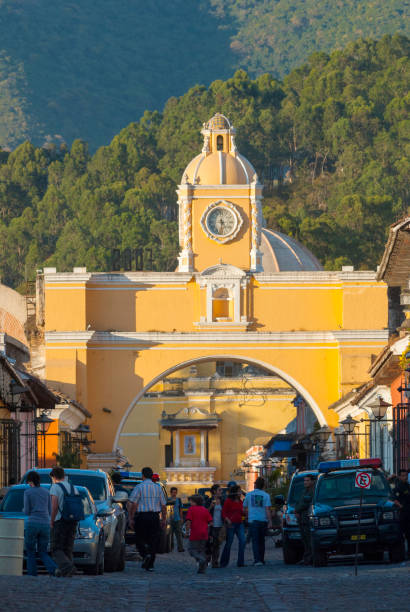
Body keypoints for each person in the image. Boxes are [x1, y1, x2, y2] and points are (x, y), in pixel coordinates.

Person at [128, 466, 167, 572]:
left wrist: (131, 517)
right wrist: (163, 519)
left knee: (139, 538)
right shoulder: (158, 488)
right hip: (154, 517)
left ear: (143, 475)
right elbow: (163, 505)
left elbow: (134, 503)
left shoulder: (139, 487)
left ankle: (145, 554)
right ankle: (150, 565)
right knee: (153, 540)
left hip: (142, 516)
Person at [23, 470, 59, 577]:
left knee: (30, 551)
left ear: (30, 481)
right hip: (45, 524)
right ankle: (54, 569)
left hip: (32, 523)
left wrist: (23, 509)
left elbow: (27, 511)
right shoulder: (46, 492)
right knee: (42, 552)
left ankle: (32, 574)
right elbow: (49, 509)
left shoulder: (28, 492)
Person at [50, 466, 79, 577]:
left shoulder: (55, 487)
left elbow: (54, 506)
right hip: (72, 521)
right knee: (68, 547)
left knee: (56, 548)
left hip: (60, 520)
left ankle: (68, 567)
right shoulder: (73, 487)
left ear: (53, 476)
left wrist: (51, 521)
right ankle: (66, 572)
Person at [243, 476, 272, 566]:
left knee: (255, 541)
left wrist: (247, 516)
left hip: (253, 520)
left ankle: (257, 560)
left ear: (255, 485)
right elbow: (267, 509)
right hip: (263, 520)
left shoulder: (248, 495)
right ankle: (262, 559)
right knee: (261, 541)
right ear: (263, 486)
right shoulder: (266, 495)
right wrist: (270, 521)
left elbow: (244, 507)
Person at [220, 484, 246, 567]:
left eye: (240, 491)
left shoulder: (241, 501)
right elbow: (223, 513)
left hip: (239, 524)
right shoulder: (228, 501)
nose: (240, 492)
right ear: (235, 492)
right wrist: (227, 520)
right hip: (231, 525)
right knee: (229, 543)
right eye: (239, 491)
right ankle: (224, 562)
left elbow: (241, 513)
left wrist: (245, 513)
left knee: (243, 541)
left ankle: (240, 562)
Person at [185, 495, 212, 574]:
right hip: (204, 533)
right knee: (202, 551)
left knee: (191, 549)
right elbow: (210, 522)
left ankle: (202, 560)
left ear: (195, 502)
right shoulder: (205, 510)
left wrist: (187, 532)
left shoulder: (191, 509)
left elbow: (188, 521)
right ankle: (202, 569)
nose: (190, 502)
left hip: (195, 533)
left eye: (191, 501)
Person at [294, 474, 315, 565]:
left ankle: (310, 558)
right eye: (304, 480)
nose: (305, 482)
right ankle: (307, 557)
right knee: (305, 540)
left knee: (309, 539)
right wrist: (296, 510)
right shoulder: (304, 491)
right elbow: (299, 502)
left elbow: (305, 504)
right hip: (302, 519)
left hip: (307, 518)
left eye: (307, 480)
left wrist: (297, 510)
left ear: (312, 481)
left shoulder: (312, 491)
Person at [205, 484, 224, 567]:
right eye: (219, 490)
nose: (221, 492)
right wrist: (210, 507)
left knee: (217, 544)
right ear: (214, 491)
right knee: (210, 544)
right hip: (211, 525)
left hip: (220, 525)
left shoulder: (222, 501)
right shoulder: (209, 501)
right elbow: (205, 513)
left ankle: (215, 562)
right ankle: (207, 559)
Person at [393, 469, 410, 555]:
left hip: (408, 513)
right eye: (403, 476)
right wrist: (400, 506)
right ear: (399, 477)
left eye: (406, 475)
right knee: (401, 534)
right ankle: (401, 552)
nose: (405, 477)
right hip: (403, 514)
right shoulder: (398, 487)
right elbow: (394, 499)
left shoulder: (407, 485)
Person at [168, 487, 184, 552]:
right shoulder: (168, 500)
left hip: (177, 519)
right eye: (173, 492)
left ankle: (180, 548)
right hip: (170, 519)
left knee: (179, 534)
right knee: (170, 535)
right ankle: (170, 548)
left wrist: (181, 518)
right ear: (171, 492)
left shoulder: (179, 500)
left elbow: (180, 509)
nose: (174, 494)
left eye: (175, 492)